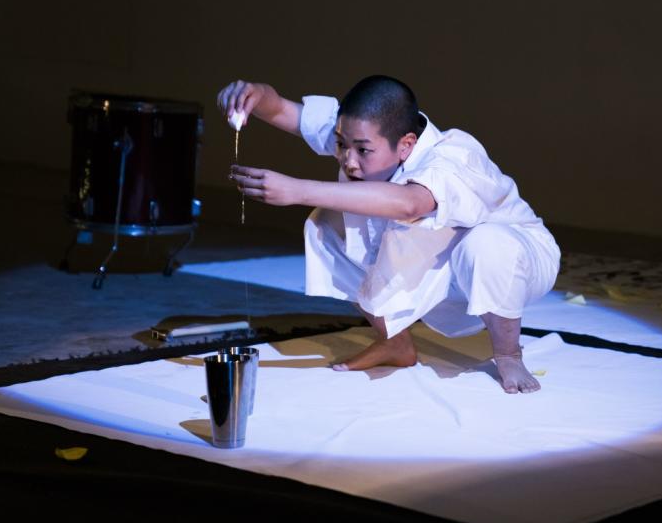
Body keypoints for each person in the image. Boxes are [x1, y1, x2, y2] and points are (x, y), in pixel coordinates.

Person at [217, 75, 560, 394]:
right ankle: (395, 342)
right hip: (442, 264)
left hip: (519, 263)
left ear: (406, 145)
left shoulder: (454, 155)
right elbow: (281, 109)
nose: (349, 161)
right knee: (326, 224)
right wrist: (253, 96)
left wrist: (298, 190)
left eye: (363, 151)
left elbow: (412, 203)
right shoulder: (356, 133)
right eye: (340, 145)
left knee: (484, 243)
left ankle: (510, 355)